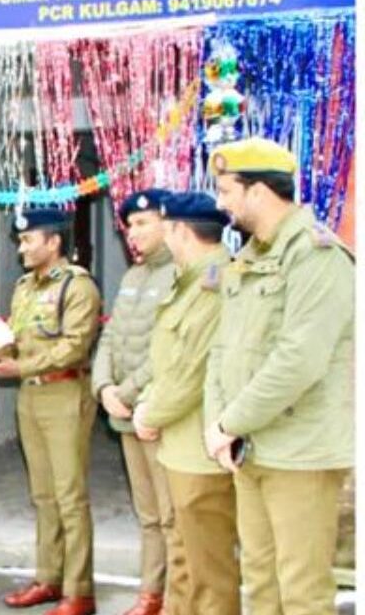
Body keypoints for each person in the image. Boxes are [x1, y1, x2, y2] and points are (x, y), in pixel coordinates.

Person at [203, 138, 354, 615]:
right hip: (252, 447)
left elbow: (300, 359)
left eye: (227, 191)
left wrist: (228, 425)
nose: (221, 202)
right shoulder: (247, 259)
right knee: (261, 585)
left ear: (260, 191)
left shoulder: (317, 257)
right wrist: (220, 427)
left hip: (301, 452)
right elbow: (221, 351)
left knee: (302, 592)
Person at [131, 193, 240, 614]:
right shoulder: (191, 279)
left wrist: (149, 413)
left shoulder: (215, 284)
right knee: (185, 564)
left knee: (207, 571)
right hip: (180, 443)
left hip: (199, 448)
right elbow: (169, 362)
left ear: (179, 230)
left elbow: (192, 370)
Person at [0, 209, 102, 615]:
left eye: (28, 240)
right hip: (30, 396)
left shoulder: (77, 285)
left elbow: (74, 345)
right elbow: (16, 338)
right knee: (43, 495)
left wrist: (21, 366)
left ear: (53, 242)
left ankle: (80, 591)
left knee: (69, 496)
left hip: (65, 394)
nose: (22, 248)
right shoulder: (23, 287)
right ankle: (48, 578)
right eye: (20, 241)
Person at [91, 189, 181, 615]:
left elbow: (169, 352)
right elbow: (110, 337)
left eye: (143, 223)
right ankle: (150, 593)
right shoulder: (133, 277)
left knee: (172, 516)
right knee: (148, 515)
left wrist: (123, 395)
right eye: (130, 226)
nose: (134, 233)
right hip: (125, 411)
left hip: (157, 412)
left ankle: (176, 599)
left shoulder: (182, 275)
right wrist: (103, 387)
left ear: (168, 223)